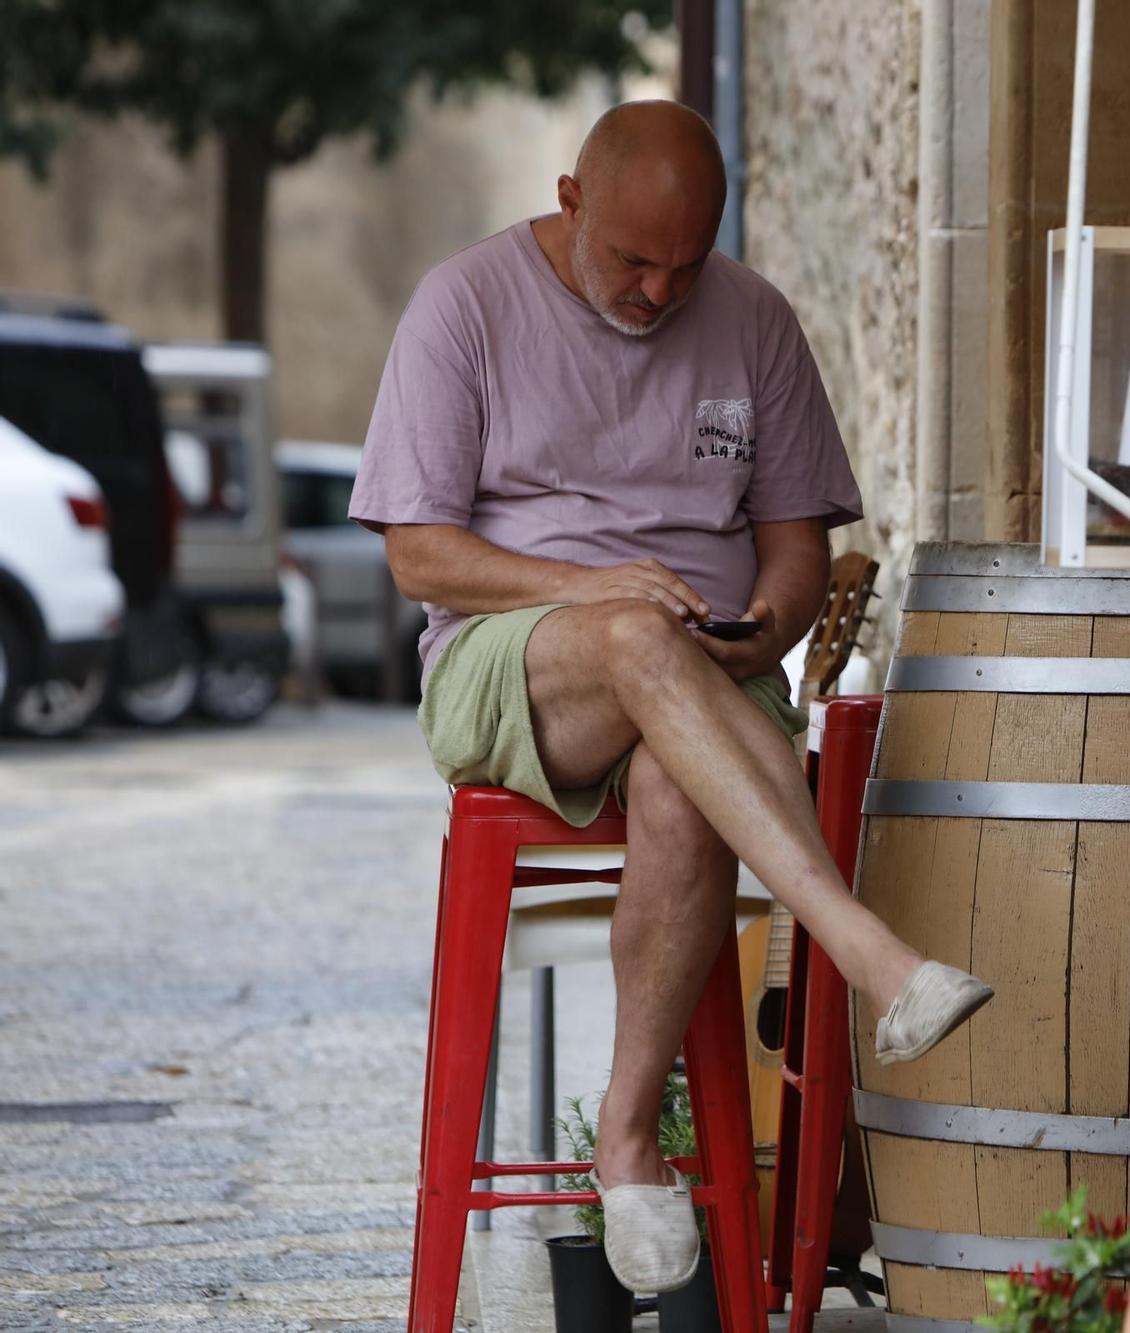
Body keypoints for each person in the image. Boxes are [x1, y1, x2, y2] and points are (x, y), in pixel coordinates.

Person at [350, 100, 991, 1294]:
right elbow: (417, 556)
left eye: (682, 267)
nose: (655, 292)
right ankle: (867, 951)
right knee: (641, 638)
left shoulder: (752, 319)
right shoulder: (465, 304)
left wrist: (767, 635)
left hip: (708, 675)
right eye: (632, 262)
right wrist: (590, 592)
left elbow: (796, 552)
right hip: (513, 660)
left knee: (677, 775)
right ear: (569, 197)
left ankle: (628, 1139)